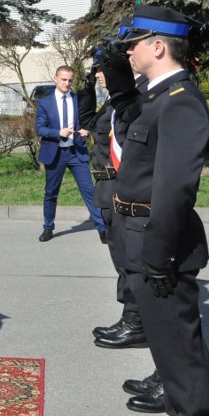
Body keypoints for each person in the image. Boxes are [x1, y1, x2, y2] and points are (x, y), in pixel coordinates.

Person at [105, 5, 209, 416]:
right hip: (138, 234)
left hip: (160, 242)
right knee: (167, 347)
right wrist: (115, 63)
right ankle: (182, 410)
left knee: (180, 350)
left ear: (158, 45)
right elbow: (125, 107)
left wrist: (157, 255)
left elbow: (174, 191)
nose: (129, 53)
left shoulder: (180, 103)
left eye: (133, 45)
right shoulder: (155, 97)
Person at [78, 23, 148, 351]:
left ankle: (136, 319)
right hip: (105, 188)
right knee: (119, 257)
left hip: (116, 184)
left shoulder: (132, 101)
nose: (99, 75)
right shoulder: (111, 104)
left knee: (128, 260)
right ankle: (130, 316)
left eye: (101, 70)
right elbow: (88, 123)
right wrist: (86, 86)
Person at [35, 65, 105, 242]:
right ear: (55, 79)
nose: (67, 83)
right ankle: (48, 227)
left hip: (76, 152)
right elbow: (40, 128)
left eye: (70, 80)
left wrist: (85, 130)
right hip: (55, 153)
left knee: (89, 191)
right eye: (64, 80)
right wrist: (58, 132)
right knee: (51, 193)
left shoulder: (77, 99)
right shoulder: (45, 103)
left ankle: (102, 229)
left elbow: (86, 121)